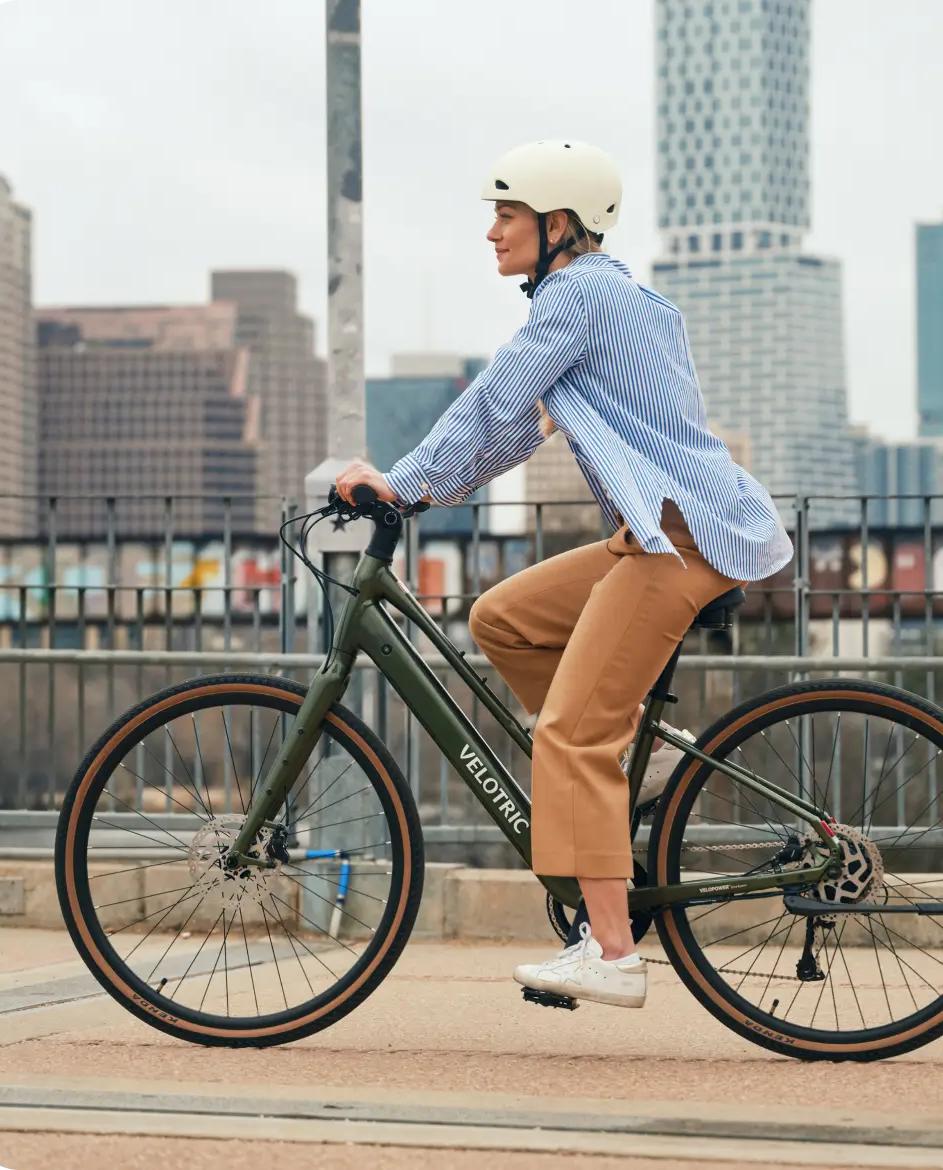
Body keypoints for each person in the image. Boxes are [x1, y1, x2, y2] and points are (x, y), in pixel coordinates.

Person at [336, 139, 793, 1008]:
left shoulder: (577, 297)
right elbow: (517, 427)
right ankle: (627, 766)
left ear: (556, 224)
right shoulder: (609, 296)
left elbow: (495, 397)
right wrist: (428, 490)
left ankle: (613, 952)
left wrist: (402, 482)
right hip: (653, 530)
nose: (491, 233)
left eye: (505, 215)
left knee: (570, 735)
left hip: (673, 538)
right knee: (502, 619)